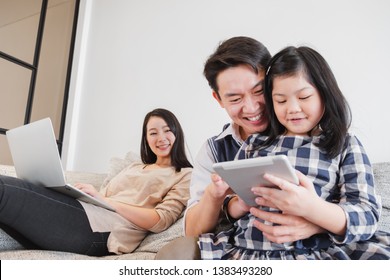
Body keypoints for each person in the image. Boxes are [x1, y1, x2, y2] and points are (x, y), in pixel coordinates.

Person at [198, 46, 390, 259]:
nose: (292, 108)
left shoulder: (344, 144)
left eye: (304, 97)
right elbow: (232, 209)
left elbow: (367, 215)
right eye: (280, 100)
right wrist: (236, 204)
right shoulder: (256, 143)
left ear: (324, 94)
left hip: (312, 250)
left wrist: (313, 209)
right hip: (251, 251)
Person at [0, 108, 193, 256]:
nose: (161, 138)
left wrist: (109, 202)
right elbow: (103, 198)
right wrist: (88, 194)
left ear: (177, 133)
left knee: (3, 190)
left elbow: (160, 221)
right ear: (146, 139)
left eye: (167, 131)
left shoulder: (184, 174)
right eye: (153, 133)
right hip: (87, 213)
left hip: (105, 232)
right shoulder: (134, 167)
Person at [184, 36, 322, 242]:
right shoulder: (215, 150)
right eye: (235, 99)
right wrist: (216, 195)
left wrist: (317, 223)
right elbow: (191, 232)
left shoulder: (311, 133)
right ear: (218, 99)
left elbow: (354, 207)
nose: (252, 107)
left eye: (259, 91)